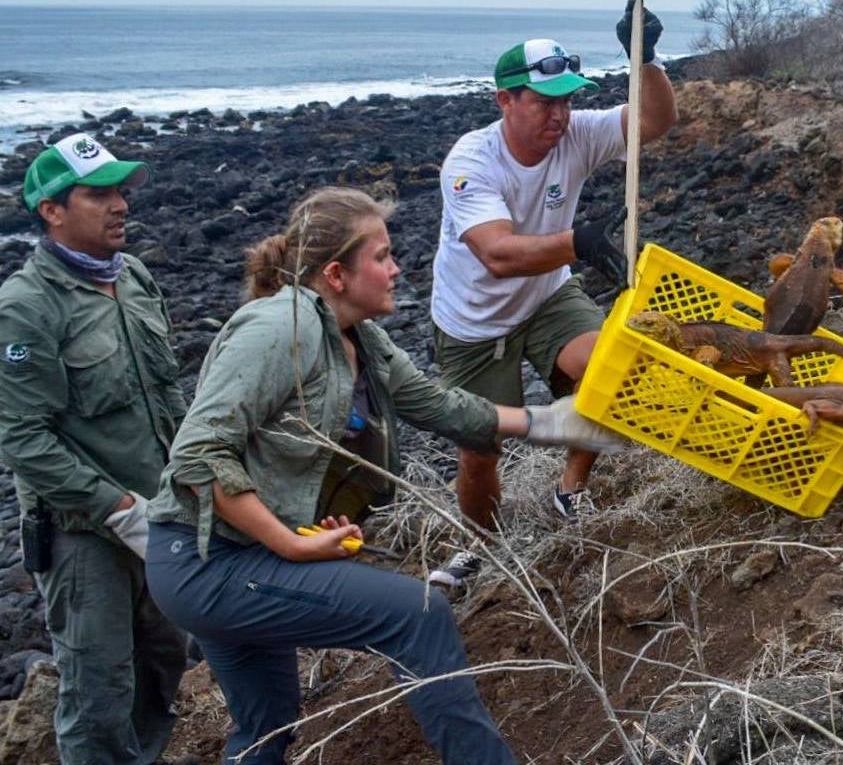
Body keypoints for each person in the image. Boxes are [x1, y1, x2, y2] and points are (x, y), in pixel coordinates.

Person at [144, 186, 623, 765]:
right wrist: (287, 545)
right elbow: (197, 456)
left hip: (240, 556)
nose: (398, 268)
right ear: (336, 274)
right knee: (416, 613)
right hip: (206, 562)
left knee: (267, 724)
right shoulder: (277, 330)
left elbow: (439, 404)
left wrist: (555, 423)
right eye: (382, 256)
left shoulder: (361, 339)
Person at [429, 0, 678, 588]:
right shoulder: (471, 161)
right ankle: (483, 547)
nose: (559, 115)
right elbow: (496, 252)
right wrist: (583, 242)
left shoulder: (577, 134)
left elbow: (654, 123)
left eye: (567, 100)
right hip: (474, 323)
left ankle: (571, 488)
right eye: (544, 102)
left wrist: (646, 60)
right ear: (505, 101)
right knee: (480, 450)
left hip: (546, 297)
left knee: (607, 369)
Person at [0, 133, 189, 764]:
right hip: (85, 535)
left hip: (161, 517)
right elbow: (24, 437)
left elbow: (166, 396)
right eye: (99, 193)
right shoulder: (26, 308)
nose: (120, 206)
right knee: (98, 691)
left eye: (122, 191)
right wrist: (116, 507)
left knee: (163, 668)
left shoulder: (131, 276)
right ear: (52, 209)